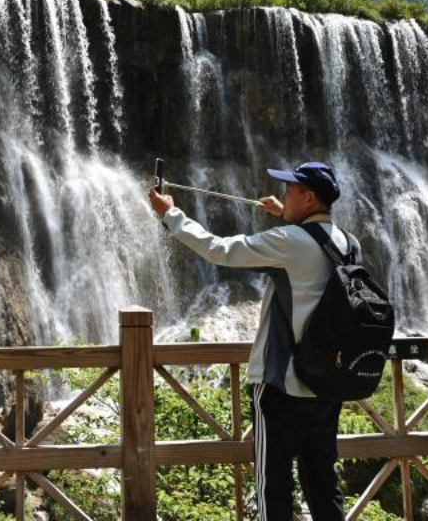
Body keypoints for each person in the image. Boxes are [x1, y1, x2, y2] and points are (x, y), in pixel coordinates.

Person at [148, 161, 352, 521]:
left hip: (280, 385)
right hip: (326, 385)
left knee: (272, 490)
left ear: (307, 198)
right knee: (323, 487)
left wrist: (172, 215)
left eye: (290, 190)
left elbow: (220, 249)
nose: (283, 194)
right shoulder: (347, 243)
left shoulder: (289, 241)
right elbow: (309, 258)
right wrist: (287, 217)